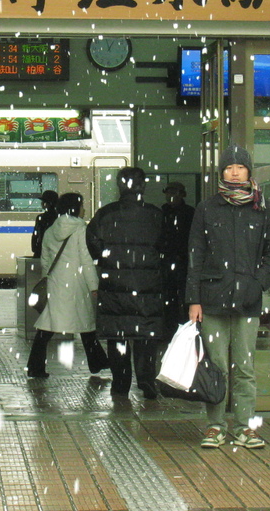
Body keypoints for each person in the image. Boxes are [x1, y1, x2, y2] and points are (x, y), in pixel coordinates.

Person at [187, 145, 270, 449]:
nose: (235, 171)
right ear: (221, 173)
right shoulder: (207, 208)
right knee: (215, 367)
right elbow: (195, 255)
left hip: (247, 300)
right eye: (229, 167)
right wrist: (194, 299)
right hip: (212, 298)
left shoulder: (262, 208)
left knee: (244, 367)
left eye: (241, 167)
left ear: (249, 171)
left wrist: (259, 284)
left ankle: (244, 427)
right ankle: (215, 426)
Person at [86, 166, 166, 399]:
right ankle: (146, 381)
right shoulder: (155, 215)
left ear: (120, 186)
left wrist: (108, 259)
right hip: (147, 285)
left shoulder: (105, 214)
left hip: (115, 284)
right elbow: (166, 245)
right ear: (143, 186)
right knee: (145, 335)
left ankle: (120, 384)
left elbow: (93, 242)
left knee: (117, 335)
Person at [26, 193, 109, 378]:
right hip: (77, 283)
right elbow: (86, 261)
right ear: (75, 208)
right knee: (86, 325)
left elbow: (45, 260)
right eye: (82, 205)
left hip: (56, 282)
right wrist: (93, 286)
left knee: (47, 326)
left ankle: (35, 366)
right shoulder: (81, 229)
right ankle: (97, 362)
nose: (84, 209)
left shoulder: (51, 229)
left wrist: (48, 277)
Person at [161, 181, 195, 329]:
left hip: (183, 261)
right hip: (168, 261)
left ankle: (183, 327)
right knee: (169, 297)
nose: (171, 196)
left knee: (183, 297)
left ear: (182, 195)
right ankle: (172, 327)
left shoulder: (189, 213)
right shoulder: (163, 212)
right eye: (169, 193)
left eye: (174, 193)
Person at [31, 189, 60, 258]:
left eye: (43, 202)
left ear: (47, 204)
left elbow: (36, 235)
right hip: (55, 251)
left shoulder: (41, 218)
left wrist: (35, 248)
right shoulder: (59, 218)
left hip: (41, 250)